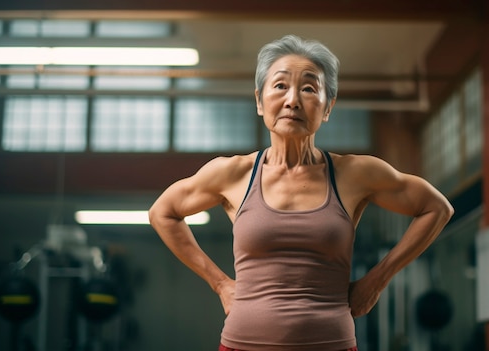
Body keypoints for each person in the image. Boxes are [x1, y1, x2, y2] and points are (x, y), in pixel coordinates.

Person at [149, 34, 454, 351]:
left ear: (328, 107)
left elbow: (437, 208)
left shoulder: (354, 174)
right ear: (259, 100)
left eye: (309, 88)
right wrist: (220, 283)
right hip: (242, 344)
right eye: (280, 86)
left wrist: (377, 281)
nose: (292, 100)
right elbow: (163, 212)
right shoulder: (234, 173)